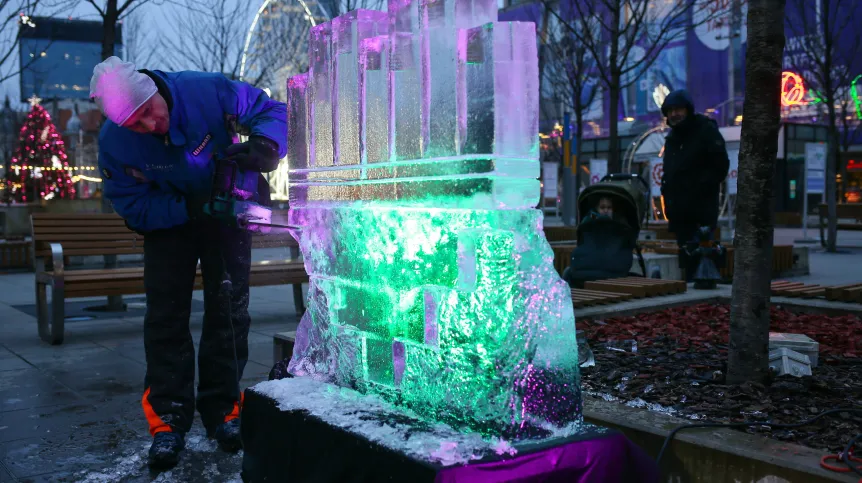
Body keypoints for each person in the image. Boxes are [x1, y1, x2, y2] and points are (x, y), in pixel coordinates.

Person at [89, 57, 286, 469]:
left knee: (229, 312)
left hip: (229, 208)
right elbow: (133, 204)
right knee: (165, 316)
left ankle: (224, 412)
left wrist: (267, 144)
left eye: (148, 113)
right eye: (134, 125)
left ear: (156, 92)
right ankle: (168, 421)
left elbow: (272, 110)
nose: (148, 127)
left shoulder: (207, 91)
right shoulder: (114, 142)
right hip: (170, 221)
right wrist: (189, 208)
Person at [659, 89, 729, 280]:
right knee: (687, 262)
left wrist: (698, 187)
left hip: (701, 212)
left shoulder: (705, 130)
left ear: (688, 110)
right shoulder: (672, 139)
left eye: (679, 109)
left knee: (703, 265)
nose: (674, 114)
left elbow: (720, 166)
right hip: (679, 213)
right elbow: (669, 172)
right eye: (670, 110)